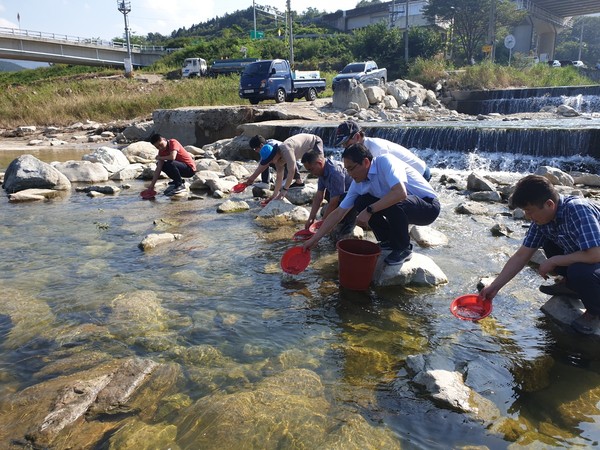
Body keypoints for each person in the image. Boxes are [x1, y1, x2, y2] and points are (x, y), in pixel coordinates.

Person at [480, 175, 600, 335]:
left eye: (529, 211)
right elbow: (521, 256)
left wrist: (555, 260)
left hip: (596, 255)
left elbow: (595, 254)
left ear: (549, 204)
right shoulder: (542, 221)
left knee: (579, 271)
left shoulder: (578, 210)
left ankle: (594, 312)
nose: (527, 216)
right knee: (549, 243)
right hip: (587, 256)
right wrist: (495, 287)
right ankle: (571, 285)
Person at [303, 143, 441, 265]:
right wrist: (315, 239)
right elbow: (339, 212)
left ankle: (403, 248)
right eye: (347, 170)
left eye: (351, 168)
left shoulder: (385, 162)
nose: (349, 174)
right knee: (361, 201)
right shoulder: (358, 183)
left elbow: (400, 193)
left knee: (392, 202)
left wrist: (369, 210)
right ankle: (388, 241)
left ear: (366, 162)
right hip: (404, 204)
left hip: (428, 207)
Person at [334, 120, 431, 181]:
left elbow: (387, 178)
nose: (344, 147)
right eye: (342, 144)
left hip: (420, 173)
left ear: (358, 136)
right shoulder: (361, 150)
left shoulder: (376, 150)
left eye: (346, 142)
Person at [246, 133, 324, 202]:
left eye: (270, 160)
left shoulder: (286, 149)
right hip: (302, 151)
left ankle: (326, 192)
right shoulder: (278, 159)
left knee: (320, 168)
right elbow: (279, 177)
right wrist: (274, 196)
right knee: (311, 168)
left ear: (274, 154)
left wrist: (285, 190)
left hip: (314, 142)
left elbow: (291, 171)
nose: (271, 162)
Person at [301, 148, 356, 236]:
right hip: (339, 194)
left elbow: (334, 201)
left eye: (311, 169)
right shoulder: (321, 171)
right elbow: (319, 196)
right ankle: (339, 218)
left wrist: (322, 224)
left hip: (354, 197)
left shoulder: (334, 172)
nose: (310, 173)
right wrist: (311, 218)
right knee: (328, 194)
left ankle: (349, 224)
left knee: (343, 198)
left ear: (319, 163)